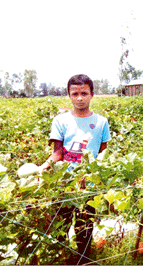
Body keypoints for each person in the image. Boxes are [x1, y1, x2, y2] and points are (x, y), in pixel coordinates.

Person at [39, 74, 111, 265]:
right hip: (64, 185)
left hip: (88, 186)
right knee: (61, 226)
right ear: (69, 96)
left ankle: (84, 261)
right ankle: (62, 260)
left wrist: (103, 180)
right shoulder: (60, 121)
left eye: (84, 93)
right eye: (75, 94)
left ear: (92, 95)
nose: (80, 98)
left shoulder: (102, 122)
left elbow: (103, 155)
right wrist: (43, 167)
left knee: (85, 229)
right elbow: (57, 154)